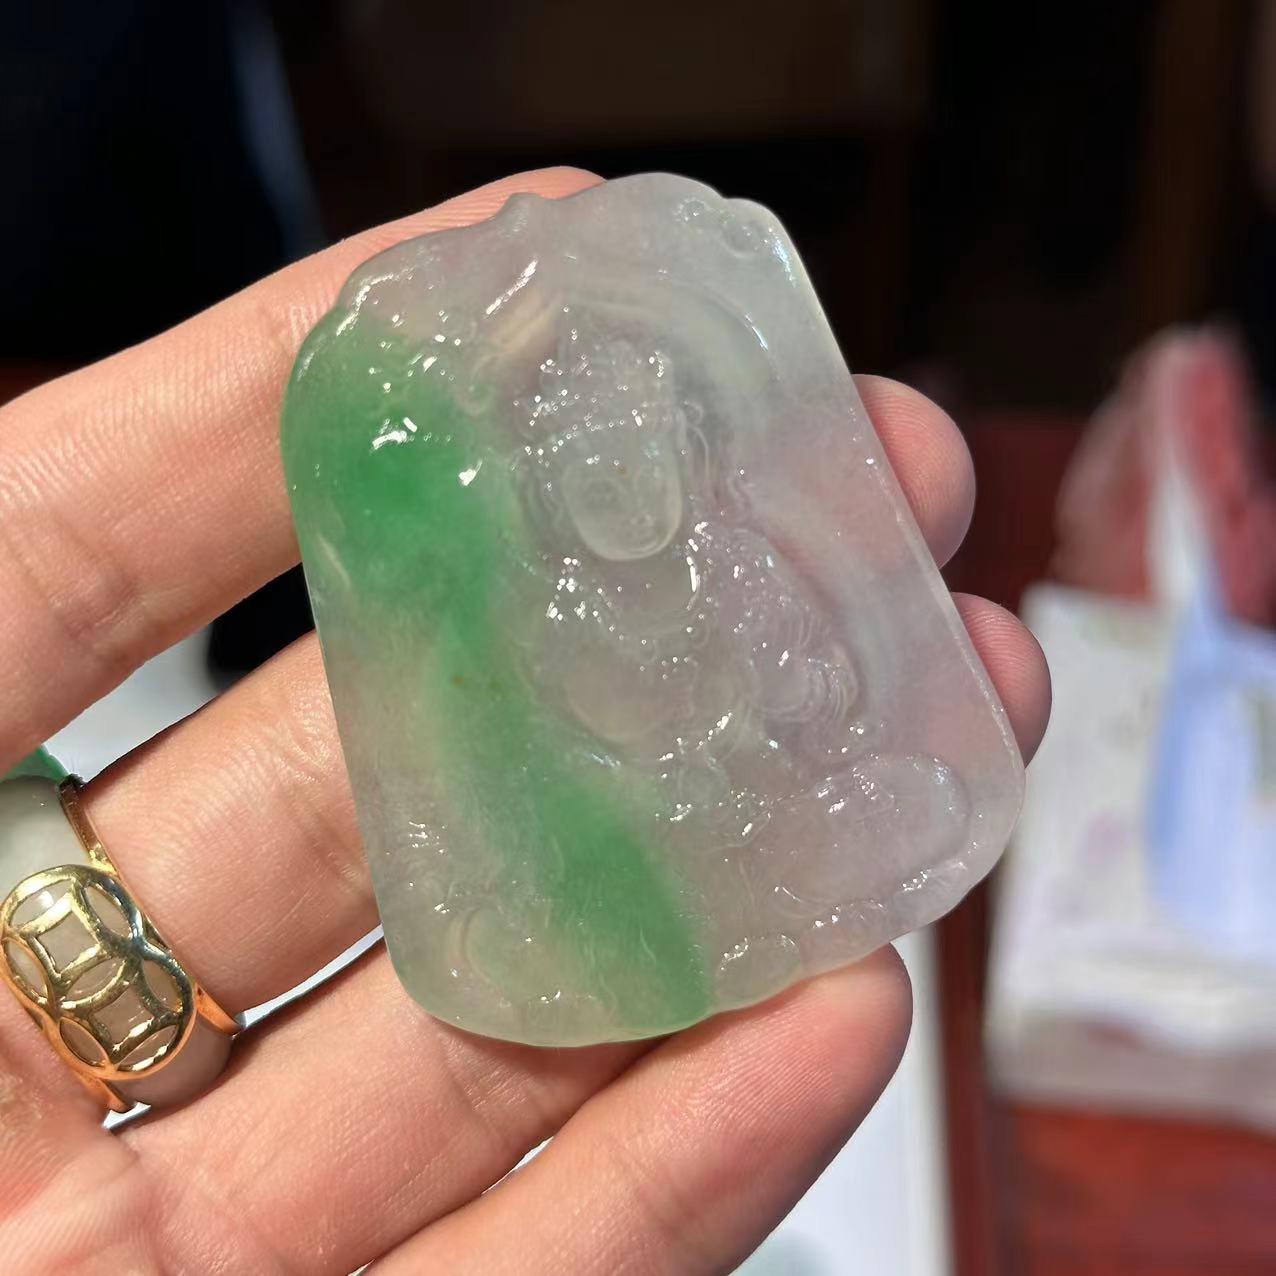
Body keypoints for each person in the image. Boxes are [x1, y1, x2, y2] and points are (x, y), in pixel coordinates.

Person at [0, 169, 1049, 1274]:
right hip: (636, 845)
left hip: (754, 810)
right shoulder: (552, 614)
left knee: (911, 801)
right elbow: (535, 767)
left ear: (685, 457)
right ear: (551, 487)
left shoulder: (733, 569)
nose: (628, 495)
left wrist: (782, 714)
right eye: (595, 474)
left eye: (645, 464)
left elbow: (805, 687)